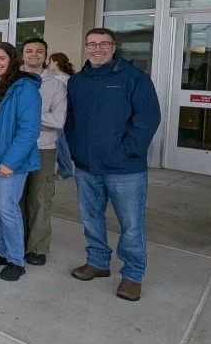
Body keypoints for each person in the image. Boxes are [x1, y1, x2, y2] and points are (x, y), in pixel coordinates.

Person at [66, 28, 160, 302]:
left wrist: (128, 150)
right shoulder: (77, 81)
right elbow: (71, 119)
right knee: (91, 217)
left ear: (114, 47)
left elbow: (148, 119)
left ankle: (132, 275)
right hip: (86, 165)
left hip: (125, 169)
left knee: (131, 224)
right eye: (92, 44)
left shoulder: (134, 78)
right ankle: (97, 262)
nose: (97, 49)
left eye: (103, 44)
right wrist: (75, 148)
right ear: (85, 48)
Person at [0, 43, 42, 282]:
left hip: (9, 159)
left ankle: (15, 259)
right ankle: (0, 252)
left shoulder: (25, 88)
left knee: (8, 209)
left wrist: (10, 161)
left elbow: (29, 130)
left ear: (12, 60)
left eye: (1, 58)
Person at [19, 38, 67, 266]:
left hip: (44, 148)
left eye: (39, 51)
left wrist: (27, 118)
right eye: (29, 51)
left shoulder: (56, 85)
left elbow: (58, 120)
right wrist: (39, 120)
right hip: (17, 148)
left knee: (40, 198)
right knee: (16, 198)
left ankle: (37, 248)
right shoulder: (13, 80)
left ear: (46, 56)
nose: (34, 55)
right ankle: (18, 243)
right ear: (22, 55)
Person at [48, 52, 75, 179]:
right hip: (56, 116)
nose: (49, 64)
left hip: (58, 116)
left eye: (50, 61)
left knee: (59, 143)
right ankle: (65, 169)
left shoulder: (63, 80)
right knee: (60, 142)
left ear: (56, 62)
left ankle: (66, 170)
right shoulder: (60, 78)